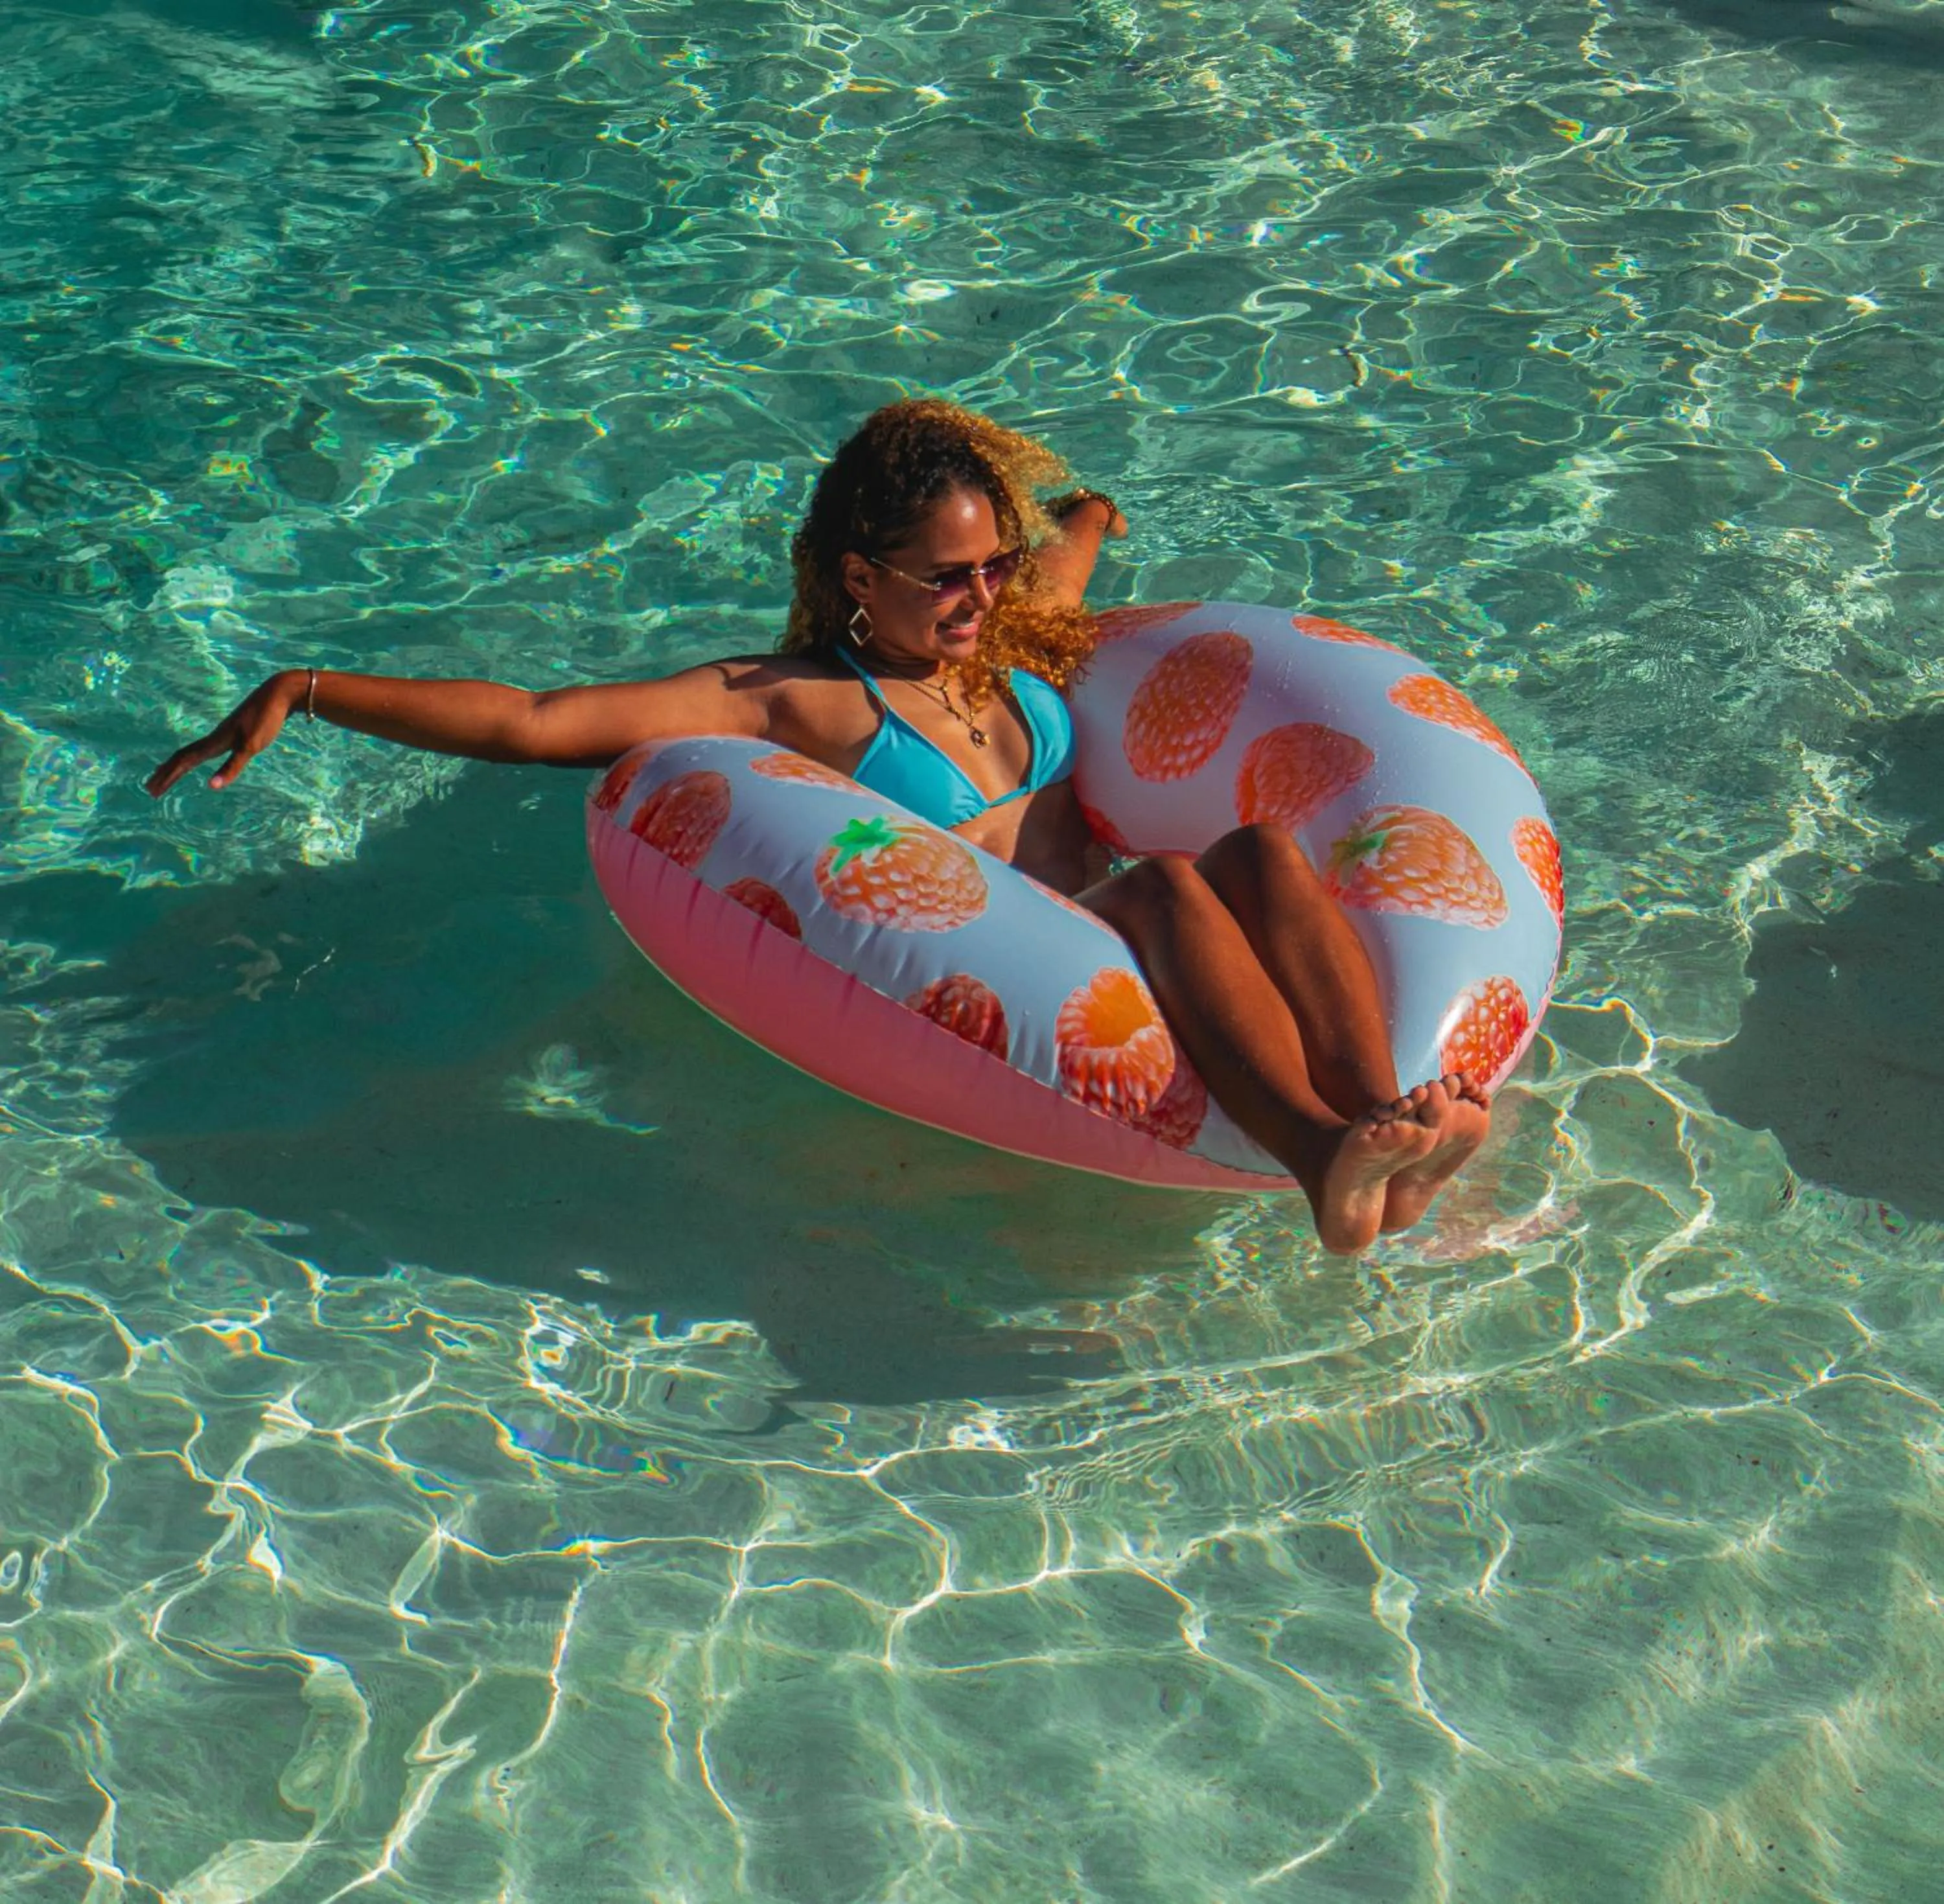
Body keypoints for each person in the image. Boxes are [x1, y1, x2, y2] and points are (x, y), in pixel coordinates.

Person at [147, 398, 1489, 1251]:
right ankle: (1325, 1162)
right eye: (943, 577)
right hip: (1053, 967)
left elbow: (1066, 570)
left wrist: (1082, 521)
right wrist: (312, 690)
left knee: (1248, 853)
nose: (979, 597)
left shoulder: (1006, 636)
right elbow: (536, 720)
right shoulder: (802, 702)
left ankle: (1392, 1127)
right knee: (1172, 889)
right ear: (861, 577)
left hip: (1149, 932)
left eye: (994, 566)